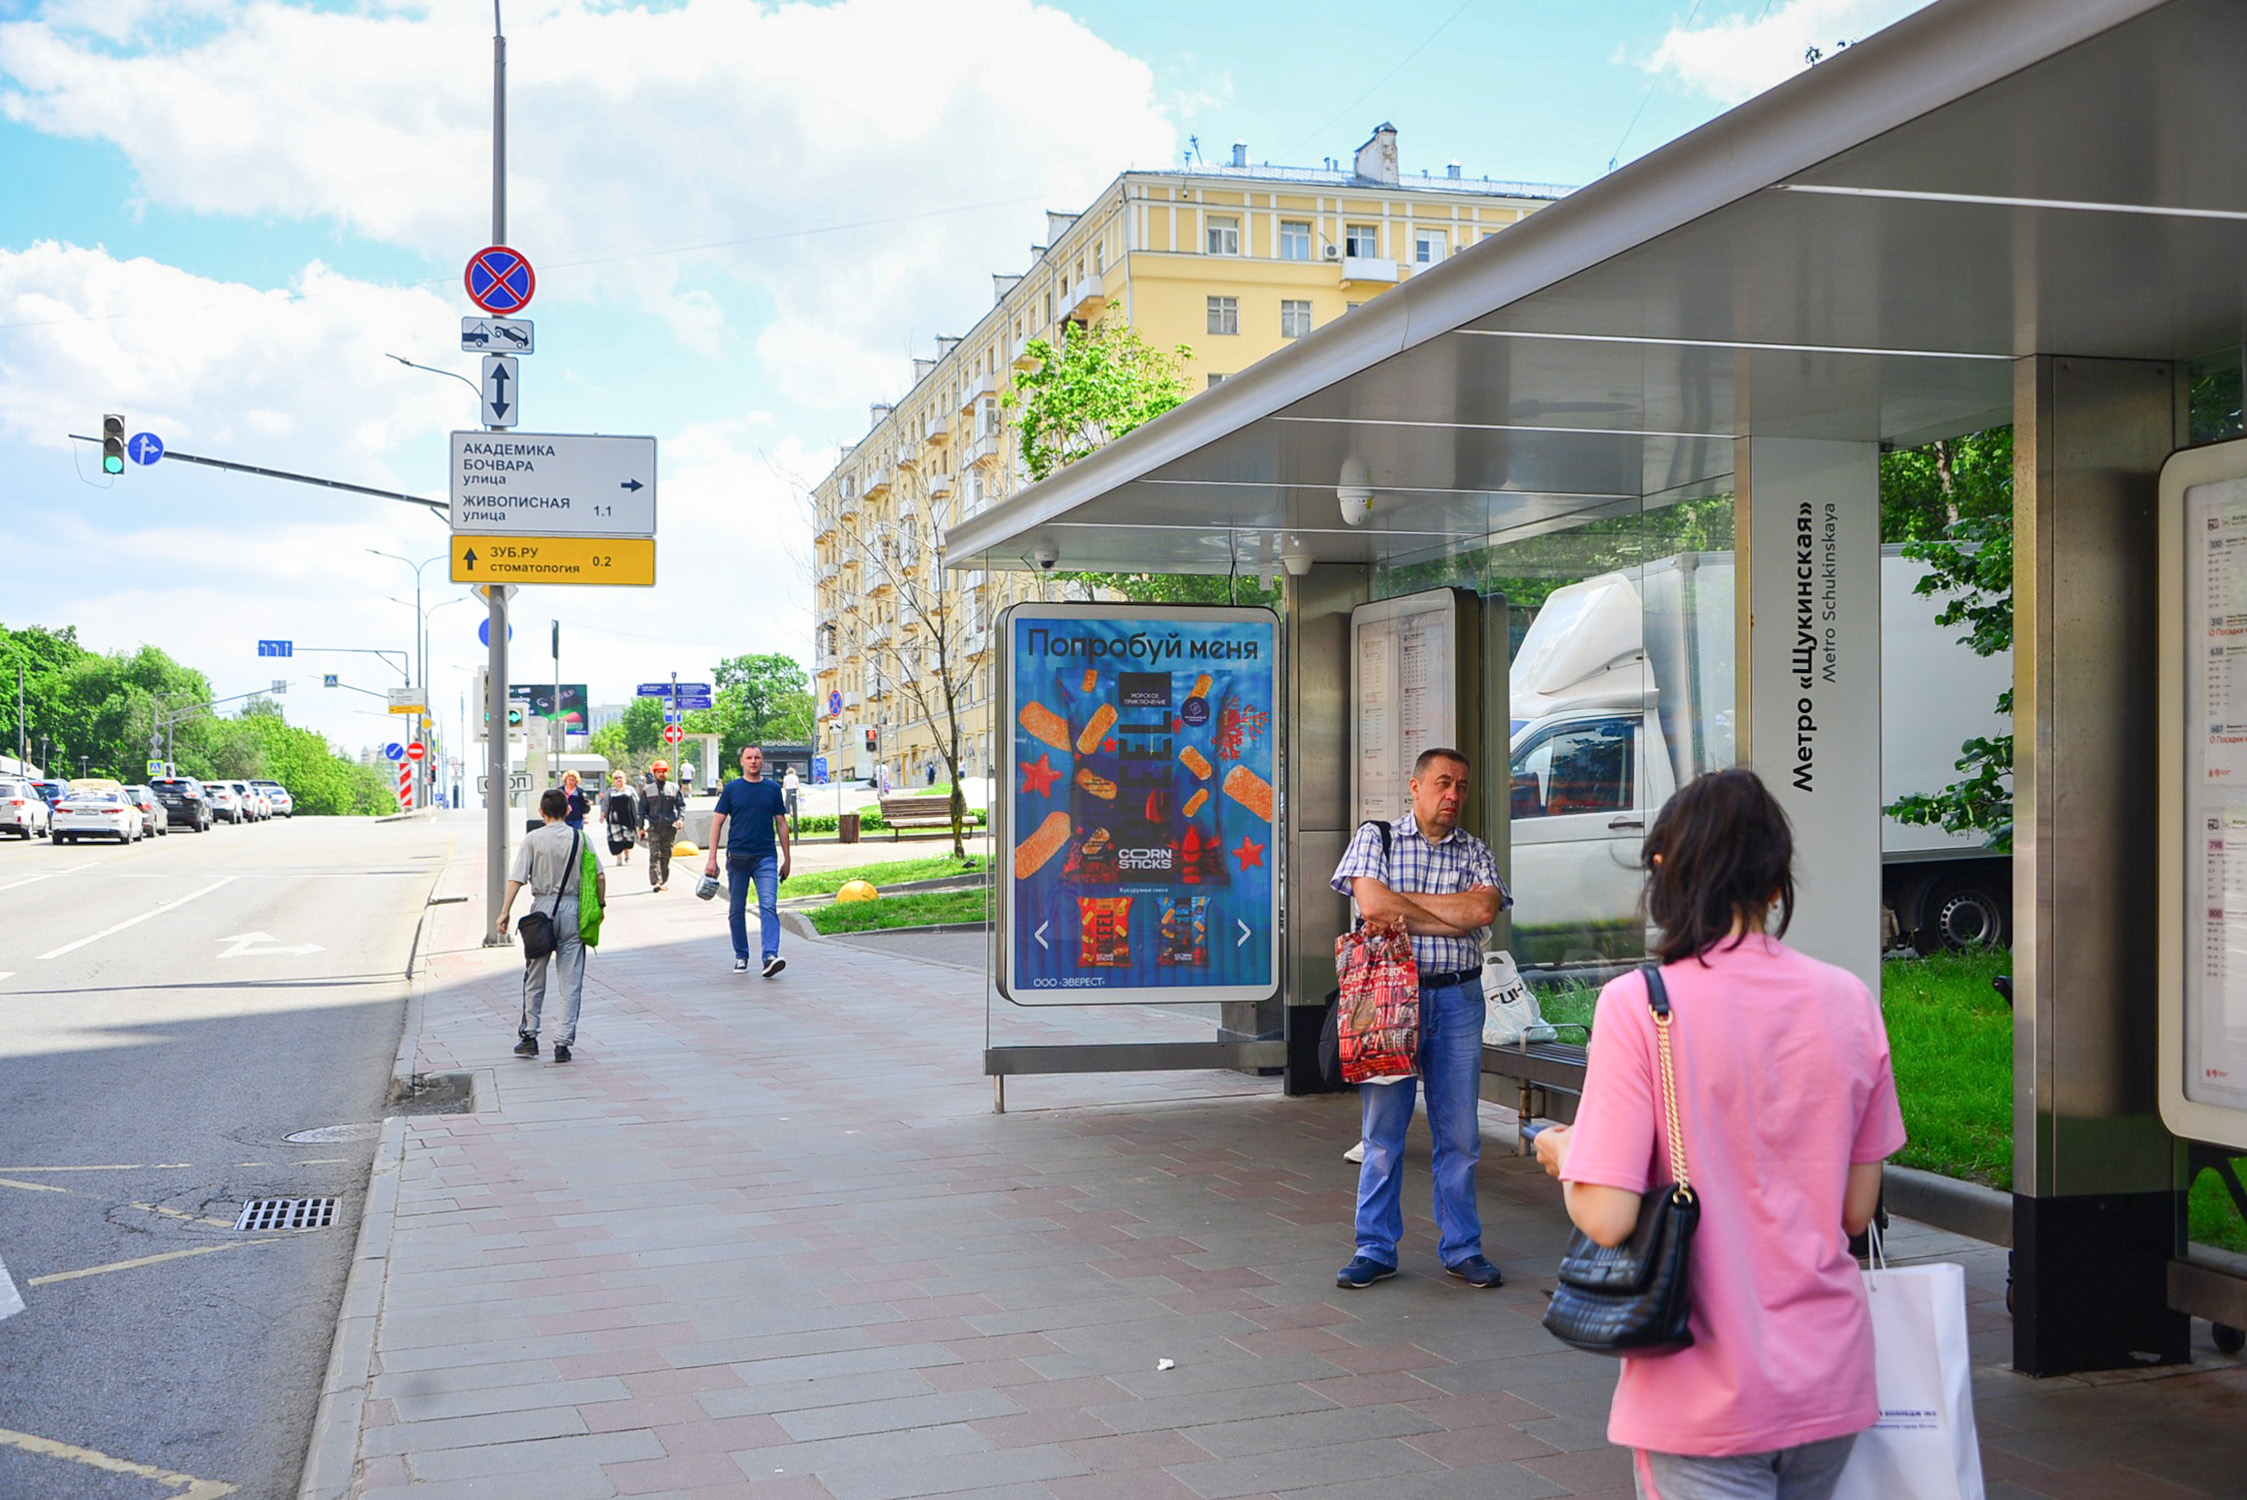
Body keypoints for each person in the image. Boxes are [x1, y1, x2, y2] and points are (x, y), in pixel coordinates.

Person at [1534, 767, 1903, 1500]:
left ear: (1665, 871)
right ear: (1774, 880)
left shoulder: (1638, 1005)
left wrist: (1567, 1150)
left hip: (1701, 1391)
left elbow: (1607, 1216)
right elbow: (1854, 1211)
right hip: (1828, 1378)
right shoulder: (1848, 1000)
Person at [1329, 747, 1508, 1291]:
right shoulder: (1376, 837)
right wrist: (1446, 914)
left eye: (1462, 786)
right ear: (1415, 786)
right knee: (1383, 1135)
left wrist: (1403, 904)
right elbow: (1372, 906)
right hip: (1388, 1002)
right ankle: (1374, 1249)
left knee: (1460, 1136)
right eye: (1443, 783)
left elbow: (1482, 911)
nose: (1453, 794)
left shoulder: (1475, 850)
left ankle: (1462, 1248)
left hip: (1457, 1000)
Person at [494, 787, 606, 1064]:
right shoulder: (581, 838)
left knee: (534, 975)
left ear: (541, 812)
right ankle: (562, 1043)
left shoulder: (532, 839)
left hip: (541, 912)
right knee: (571, 980)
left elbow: (517, 878)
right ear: (568, 810)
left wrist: (505, 912)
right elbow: (600, 876)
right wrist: (600, 906)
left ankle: (529, 1037)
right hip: (573, 911)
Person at [705, 744, 791, 977]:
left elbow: (781, 824)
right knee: (736, 909)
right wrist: (711, 859)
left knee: (768, 905)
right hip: (738, 858)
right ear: (742, 761)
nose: (753, 761)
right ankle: (741, 955)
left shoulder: (773, 789)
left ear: (763, 761)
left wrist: (787, 858)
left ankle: (770, 956)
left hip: (766, 858)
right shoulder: (732, 789)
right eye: (749, 757)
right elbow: (717, 823)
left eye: (757, 757)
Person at [642, 760, 684, 891]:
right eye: (659, 772)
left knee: (666, 854)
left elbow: (681, 806)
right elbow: (641, 810)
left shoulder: (674, 788)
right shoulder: (647, 790)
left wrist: (680, 819)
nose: (661, 774)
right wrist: (640, 827)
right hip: (654, 827)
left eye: (664, 772)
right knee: (654, 854)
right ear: (654, 773)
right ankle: (656, 882)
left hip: (669, 827)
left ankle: (663, 880)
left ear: (667, 773)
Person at [604, 769, 639, 866]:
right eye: (616, 778)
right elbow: (605, 804)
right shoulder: (610, 791)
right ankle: (619, 858)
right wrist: (603, 814)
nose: (618, 779)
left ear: (625, 779)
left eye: (621, 777)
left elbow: (637, 802)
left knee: (628, 839)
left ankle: (627, 855)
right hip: (614, 819)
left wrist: (639, 816)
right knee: (616, 840)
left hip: (628, 819)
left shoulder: (630, 790)